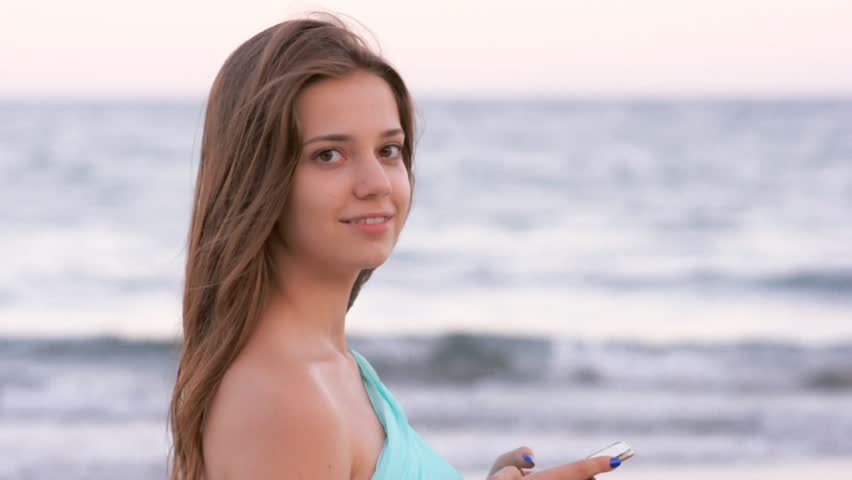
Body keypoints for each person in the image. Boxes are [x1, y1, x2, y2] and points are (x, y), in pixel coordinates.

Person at [167, 12, 622, 480]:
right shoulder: (286, 397)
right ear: (257, 180)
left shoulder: (339, 368)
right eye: (329, 155)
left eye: (389, 150)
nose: (376, 183)